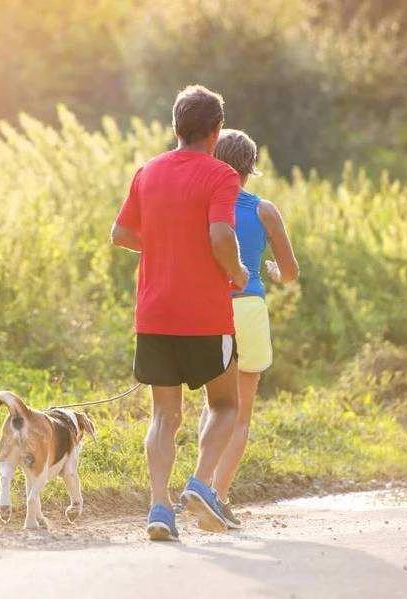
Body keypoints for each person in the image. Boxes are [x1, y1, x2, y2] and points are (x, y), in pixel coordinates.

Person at [111, 85, 248, 541]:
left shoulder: (147, 172)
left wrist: (166, 246)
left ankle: (158, 507)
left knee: (163, 415)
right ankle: (200, 483)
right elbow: (222, 238)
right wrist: (238, 271)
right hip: (205, 315)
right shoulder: (221, 175)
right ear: (217, 130)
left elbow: (121, 232)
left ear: (175, 127)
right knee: (226, 403)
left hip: (154, 314)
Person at [199, 129, 299, 528]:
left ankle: (200, 485)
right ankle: (218, 498)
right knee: (239, 414)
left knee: (212, 407)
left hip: (208, 310)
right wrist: (274, 272)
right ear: (251, 167)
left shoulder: (204, 205)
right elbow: (290, 272)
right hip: (250, 310)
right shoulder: (265, 210)